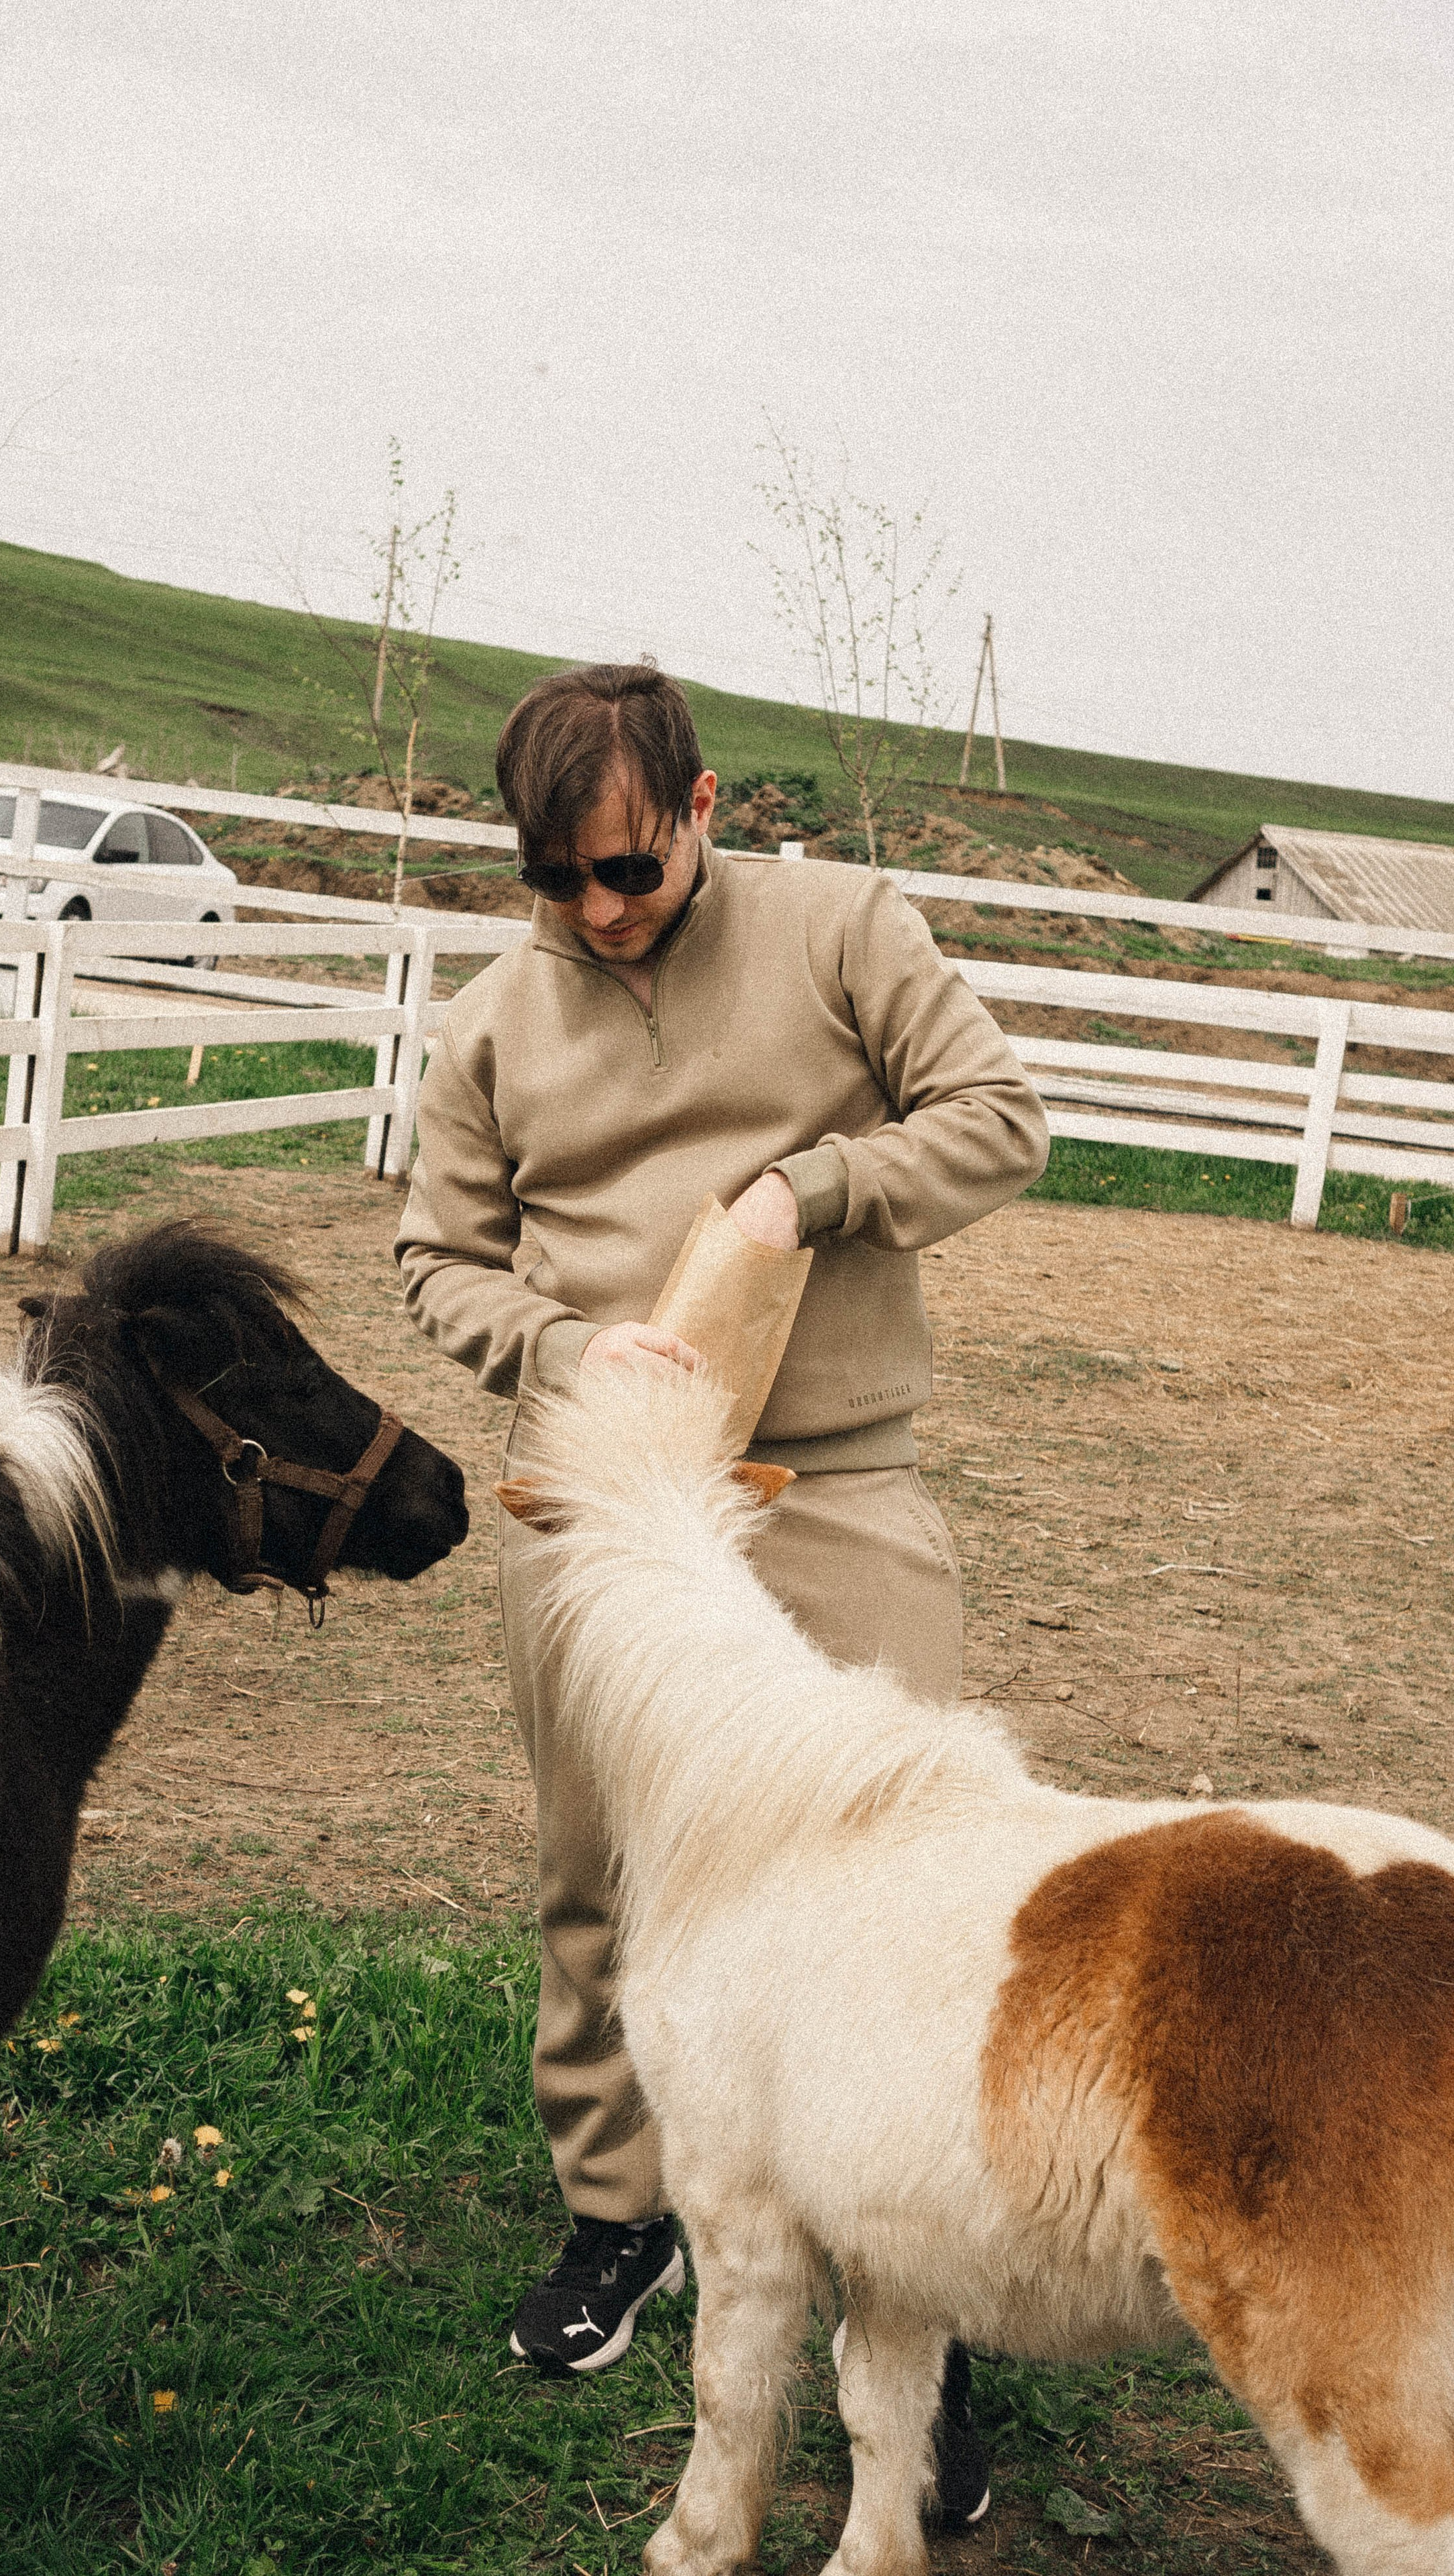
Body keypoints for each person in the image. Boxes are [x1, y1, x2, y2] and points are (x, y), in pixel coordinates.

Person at [395, 661, 1048, 2524]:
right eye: (559, 880)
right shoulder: (497, 1021)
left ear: (699, 805)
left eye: (628, 868)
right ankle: (622, 2213)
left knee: (903, 1891)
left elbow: (1003, 1118)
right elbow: (437, 1252)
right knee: (603, 1869)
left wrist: (813, 1192)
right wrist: (558, 1340)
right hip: (605, 1501)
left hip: (836, 1484)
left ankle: (917, 2306)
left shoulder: (848, 928)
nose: (601, 912)